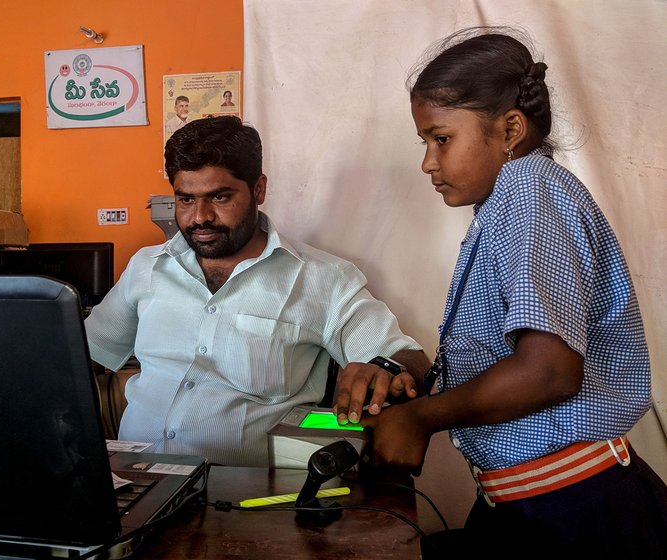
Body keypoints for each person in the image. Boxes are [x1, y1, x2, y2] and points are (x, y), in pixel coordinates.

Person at [334, 27, 667, 559]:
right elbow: (494, 358)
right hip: (532, 503)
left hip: (577, 512)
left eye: (441, 138)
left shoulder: (527, 190)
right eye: (424, 142)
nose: (427, 162)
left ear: (511, 128)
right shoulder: (508, 203)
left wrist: (422, 418)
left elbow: (549, 371)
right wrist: (406, 382)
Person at [85, 115, 429, 467]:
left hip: (241, 499)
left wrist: (385, 369)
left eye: (219, 197)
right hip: (134, 481)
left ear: (259, 189)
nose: (199, 217)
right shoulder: (148, 267)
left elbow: (408, 359)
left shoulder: (323, 279)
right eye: (185, 200)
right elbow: (86, 354)